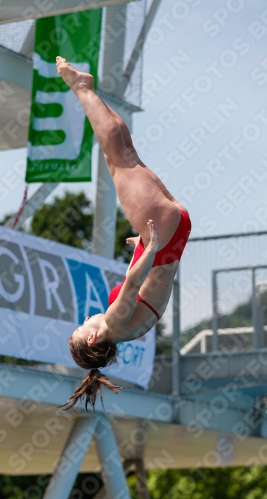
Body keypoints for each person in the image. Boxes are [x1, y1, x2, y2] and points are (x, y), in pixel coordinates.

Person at [56, 56, 191, 411]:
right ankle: (81, 87)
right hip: (162, 237)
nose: (86, 320)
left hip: (170, 237)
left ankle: (86, 90)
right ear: (95, 338)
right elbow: (134, 284)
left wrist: (143, 248)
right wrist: (150, 250)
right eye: (83, 327)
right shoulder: (114, 324)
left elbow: (156, 287)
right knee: (119, 158)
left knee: (121, 156)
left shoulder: (128, 331)